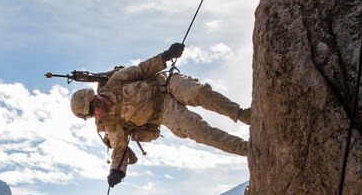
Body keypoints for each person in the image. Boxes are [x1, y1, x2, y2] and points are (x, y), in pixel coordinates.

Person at [70, 42, 251, 186]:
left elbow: (142, 69)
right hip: (163, 113)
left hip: (165, 85)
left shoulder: (116, 82)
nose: (95, 115)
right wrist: (115, 172)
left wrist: (167, 55)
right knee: (199, 131)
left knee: (199, 93)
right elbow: (119, 149)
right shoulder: (111, 125)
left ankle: (243, 115)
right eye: (91, 115)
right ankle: (247, 149)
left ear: (94, 99)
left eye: (93, 110)